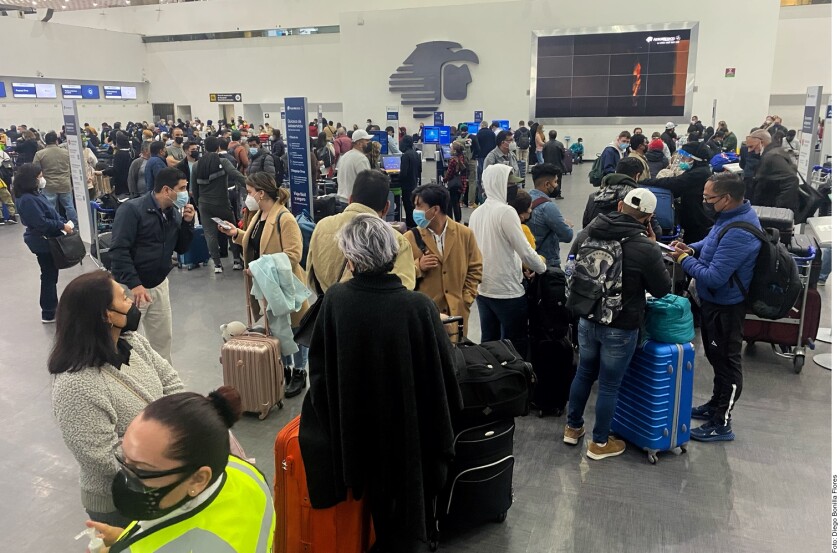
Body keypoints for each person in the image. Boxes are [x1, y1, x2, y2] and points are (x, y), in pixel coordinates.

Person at [299, 214, 460, 552]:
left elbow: (321, 375)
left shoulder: (336, 302)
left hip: (358, 435)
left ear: (352, 258)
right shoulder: (418, 307)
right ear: (392, 255)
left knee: (377, 512)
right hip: (411, 434)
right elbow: (444, 374)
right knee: (410, 514)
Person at [49, 271, 183, 527]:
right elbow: (101, 457)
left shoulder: (133, 343)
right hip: (119, 503)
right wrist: (170, 450)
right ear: (105, 315)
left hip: (160, 484)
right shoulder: (75, 384)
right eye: (123, 298)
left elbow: (172, 384)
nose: (132, 301)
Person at [85, 386, 274, 552]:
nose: (126, 478)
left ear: (198, 479)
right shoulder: (244, 472)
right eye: (124, 459)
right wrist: (128, 538)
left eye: (142, 471)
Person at [564, 188, 671, 460]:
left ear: (620, 205)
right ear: (648, 217)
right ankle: (600, 443)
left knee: (584, 373)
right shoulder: (645, 246)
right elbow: (661, 289)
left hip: (587, 317)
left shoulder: (588, 233)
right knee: (610, 384)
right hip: (621, 325)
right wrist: (654, 245)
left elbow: (571, 268)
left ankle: (572, 428)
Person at [668, 173, 761, 442]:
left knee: (727, 364)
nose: (705, 202)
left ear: (726, 198)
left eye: (709, 198)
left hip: (726, 307)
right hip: (712, 303)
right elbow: (711, 244)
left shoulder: (740, 231)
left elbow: (714, 277)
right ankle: (714, 405)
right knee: (715, 357)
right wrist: (692, 249)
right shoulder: (728, 219)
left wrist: (684, 260)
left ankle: (722, 423)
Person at [219, 173, 310, 397]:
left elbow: (294, 254)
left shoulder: (284, 218)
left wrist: (260, 267)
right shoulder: (260, 214)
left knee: (295, 329)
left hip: (285, 285)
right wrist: (236, 233)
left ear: (261, 193)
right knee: (278, 328)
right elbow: (258, 242)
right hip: (268, 286)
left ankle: (299, 371)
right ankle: (286, 368)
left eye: (250, 192)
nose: (247, 197)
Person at [110, 167, 196, 364]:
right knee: (124, 341)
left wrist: (187, 224)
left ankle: (164, 386)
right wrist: (134, 284)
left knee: (162, 341)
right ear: (166, 190)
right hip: (130, 290)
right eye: (181, 188)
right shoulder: (132, 210)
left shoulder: (173, 213)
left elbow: (181, 248)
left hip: (158, 285)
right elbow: (119, 250)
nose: (185, 193)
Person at [471, 164, 546, 357]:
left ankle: (491, 381)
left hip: (484, 288)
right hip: (507, 291)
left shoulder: (477, 212)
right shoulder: (506, 212)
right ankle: (516, 382)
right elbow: (525, 251)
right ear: (499, 185)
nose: (514, 189)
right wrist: (541, 267)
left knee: (489, 341)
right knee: (515, 344)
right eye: (510, 184)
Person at [307, 170, 415, 293]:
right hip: (374, 310)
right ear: (386, 207)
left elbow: (311, 276)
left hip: (328, 306)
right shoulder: (396, 240)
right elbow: (404, 290)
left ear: (350, 199)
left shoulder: (322, 226)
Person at [405, 182, 482, 333]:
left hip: (456, 316)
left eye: (419, 206)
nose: (415, 211)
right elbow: (399, 276)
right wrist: (418, 266)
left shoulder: (465, 234)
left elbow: (475, 269)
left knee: (455, 354)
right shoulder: (409, 238)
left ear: (435, 210)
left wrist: (465, 301)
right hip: (425, 317)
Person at [13, 164, 72, 323]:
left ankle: (51, 307)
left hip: (46, 238)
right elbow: (40, 222)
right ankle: (49, 311)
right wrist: (61, 225)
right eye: (39, 176)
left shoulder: (34, 195)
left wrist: (61, 222)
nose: (42, 179)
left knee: (50, 274)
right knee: (48, 275)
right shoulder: (27, 199)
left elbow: (49, 213)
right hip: (42, 241)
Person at [639, 141, 714, 245]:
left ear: (695, 159)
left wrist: (645, 181)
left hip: (698, 221)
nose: (682, 160)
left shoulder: (699, 173)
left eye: (685, 158)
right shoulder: (698, 170)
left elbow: (674, 183)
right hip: (694, 219)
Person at [191, 136, 246, 272]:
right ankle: (237, 261)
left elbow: (194, 189)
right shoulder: (223, 161)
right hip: (222, 203)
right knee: (230, 229)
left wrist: (199, 204)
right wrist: (252, 185)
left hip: (204, 204)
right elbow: (236, 175)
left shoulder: (196, 165)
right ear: (218, 148)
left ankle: (217, 265)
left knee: (210, 234)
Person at [527, 163, 573, 268]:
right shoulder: (548, 207)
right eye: (555, 182)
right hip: (548, 262)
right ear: (547, 184)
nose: (557, 185)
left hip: (529, 261)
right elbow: (567, 235)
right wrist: (567, 225)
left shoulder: (526, 200)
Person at [32, 131, 77, 227]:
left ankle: (56, 225)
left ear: (45, 141)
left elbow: (35, 170)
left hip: (49, 185)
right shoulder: (66, 153)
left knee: (51, 207)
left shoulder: (39, 154)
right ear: (56, 140)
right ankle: (74, 225)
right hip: (65, 183)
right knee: (69, 206)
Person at [751, 128, 798, 211]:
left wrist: (778, 209)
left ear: (761, 142)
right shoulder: (773, 153)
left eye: (751, 146)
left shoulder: (773, 156)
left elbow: (792, 180)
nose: (750, 150)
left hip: (771, 209)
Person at [336, 129, 375, 204]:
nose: (369, 143)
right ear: (359, 144)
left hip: (342, 200)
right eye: (367, 141)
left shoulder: (345, 156)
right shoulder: (361, 158)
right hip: (355, 202)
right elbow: (367, 182)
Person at [100, 132, 135, 196]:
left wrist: (103, 172)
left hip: (121, 183)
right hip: (130, 183)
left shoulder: (119, 154)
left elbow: (115, 170)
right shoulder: (131, 152)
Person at [398, 136, 421, 228]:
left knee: (407, 208)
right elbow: (419, 169)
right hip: (414, 184)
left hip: (406, 186)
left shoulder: (405, 156)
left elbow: (403, 173)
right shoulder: (415, 154)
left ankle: (409, 227)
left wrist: (396, 179)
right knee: (412, 208)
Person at [443, 141, 468, 222]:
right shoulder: (463, 157)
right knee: (457, 203)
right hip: (461, 183)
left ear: (454, 150)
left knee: (450, 203)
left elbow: (449, 173)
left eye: (451, 148)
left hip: (453, 184)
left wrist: (444, 179)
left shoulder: (453, 160)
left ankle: (450, 220)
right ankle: (458, 220)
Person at [542, 130, 566, 197]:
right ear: (556, 136)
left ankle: (548, 193)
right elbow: (563, 155)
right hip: (558, 165)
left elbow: (543, 155)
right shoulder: (560, 144)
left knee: (548, 179)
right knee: (558, 180)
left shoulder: (545, 145)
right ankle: (558, 194)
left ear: (549, 136)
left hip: (548, 166)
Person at [475, 121, 495, 189]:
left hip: (481, 155)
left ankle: (481, 184)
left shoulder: (479, 134)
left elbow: (476, 145)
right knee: (489, 169)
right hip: (490, 154)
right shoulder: (492, 133)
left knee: (481, 170)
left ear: (481, 126)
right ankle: (489, 183)